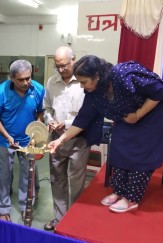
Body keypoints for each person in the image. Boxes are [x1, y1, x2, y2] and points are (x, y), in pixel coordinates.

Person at [47, 55, 163, 213]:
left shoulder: (124, 75)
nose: (82, 87)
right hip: (128, 117)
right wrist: (60, 140)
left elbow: (160, 91)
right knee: (118, 148)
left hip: (153, 115)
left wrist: (138, 114)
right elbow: (82, 120)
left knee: (140, 155)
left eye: (84, 82)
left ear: (97, 76)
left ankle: (131, 198)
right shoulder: (94, 93)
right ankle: (119, 191)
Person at [0, 60, 44, 222]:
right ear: (12, 78)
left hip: (28, 141)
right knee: (4, 175)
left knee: (28, 175)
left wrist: (38, 128)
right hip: (5, 140)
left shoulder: (38, 89)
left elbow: (40, 112)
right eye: (21, 79)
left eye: (28, 78)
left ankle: (26, 206)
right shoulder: (1, 92)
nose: (26, 82)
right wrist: (7, 136)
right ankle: (3, 209)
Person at [43, 46, 90, 230]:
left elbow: (87, 113)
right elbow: (46, 108)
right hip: (56, 138)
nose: (61, 70)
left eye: (64, 65)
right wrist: (50, 120)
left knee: (76, 182)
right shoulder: (51, 82)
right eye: (57, 66)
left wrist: (68, 123)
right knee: (57, 179)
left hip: (79, 138)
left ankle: (75, 220)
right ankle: (59, 219)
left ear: (73, 60)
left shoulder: (82, 82)